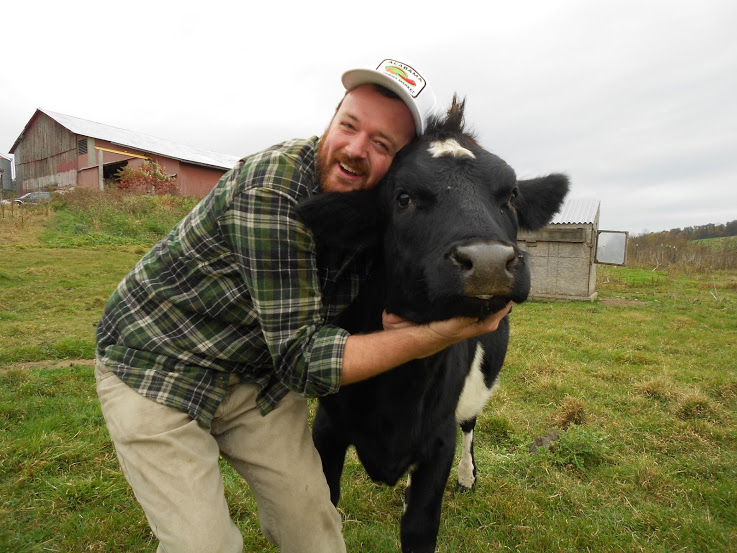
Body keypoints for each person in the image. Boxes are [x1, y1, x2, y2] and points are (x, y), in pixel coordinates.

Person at [95, 58, 512, 553]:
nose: (356, 150)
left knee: (314, 532)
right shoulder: (273, 189)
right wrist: (433, 336)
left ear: (399, 166)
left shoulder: (382, 209)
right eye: (349, 125)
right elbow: (303, 361)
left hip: (256, 377)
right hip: (158, 366)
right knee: (203, 546)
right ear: (331, 120)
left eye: (381, 144)